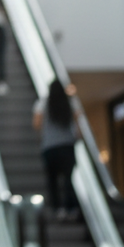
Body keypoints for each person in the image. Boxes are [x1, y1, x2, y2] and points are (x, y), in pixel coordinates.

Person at [34, 78, 79, 220]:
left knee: (52, 180)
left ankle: (57, 208)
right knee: (67, 178)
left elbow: (36, 123)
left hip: (50, 147)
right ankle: (70, 207)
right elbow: (78, 125)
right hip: (67, 145)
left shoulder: (43, 103)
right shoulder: (70, 103)